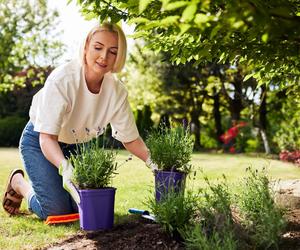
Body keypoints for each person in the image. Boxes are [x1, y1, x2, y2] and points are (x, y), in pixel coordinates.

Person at [2, 22, 157, 219]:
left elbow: (130, 139)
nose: (104, 57)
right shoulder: (62, 80)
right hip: (40, 141)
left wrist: (154, 163)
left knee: (84, 208)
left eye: (112, 51)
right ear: (85, 47)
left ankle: (50, 190)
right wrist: (64, 167)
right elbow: (47, 138)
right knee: (56, 210)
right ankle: (19, 184)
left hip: (76, 147)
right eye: (98, 47)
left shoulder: (116, 91)